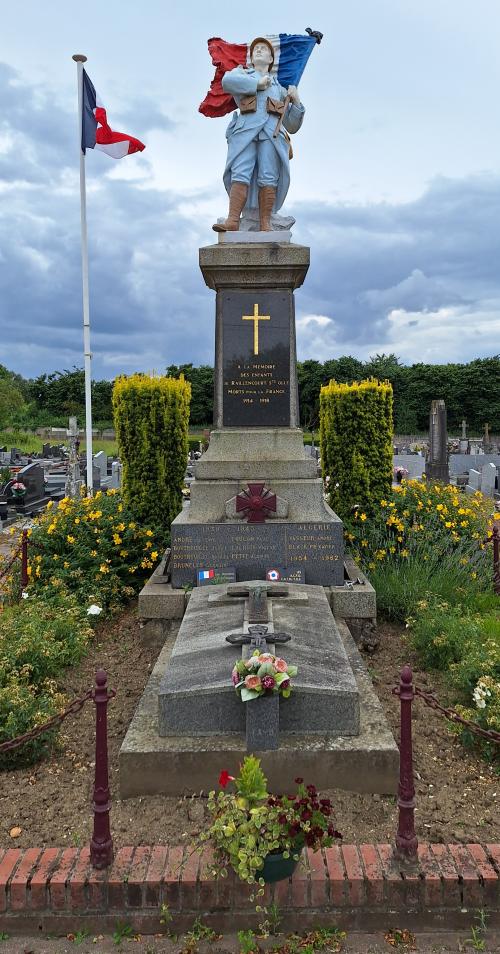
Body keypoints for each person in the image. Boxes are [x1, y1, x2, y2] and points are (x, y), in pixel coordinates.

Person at [213, 37, 305, 233]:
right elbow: (227, 81)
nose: (260, 51)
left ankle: (265, 224)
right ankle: (232, 220)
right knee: (240, 172)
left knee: (268, 177)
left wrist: (296, 102)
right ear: (251, 59)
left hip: (271, 134)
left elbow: (292, 124)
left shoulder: (280, 89)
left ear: (272, 58)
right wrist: (257, 85)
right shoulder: (243, 74)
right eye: (256, 50)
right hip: (245, 132)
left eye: (264, 49)